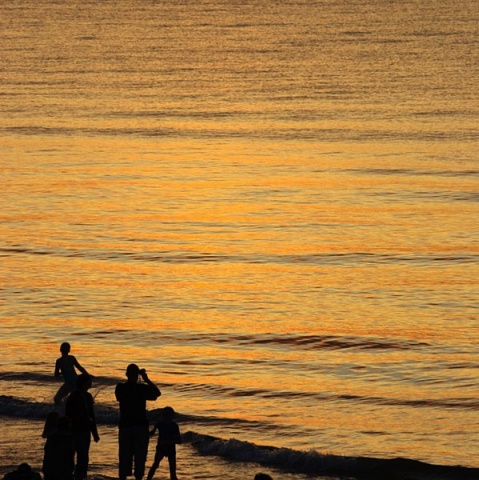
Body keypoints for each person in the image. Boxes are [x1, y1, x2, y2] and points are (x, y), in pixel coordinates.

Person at [115, 364, 161, 480]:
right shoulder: (141, 388)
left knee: (124, 455)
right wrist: (146, 379)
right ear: (137, 375)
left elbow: (120, 397)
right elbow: (157, 393)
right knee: (140, 456)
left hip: (125, 425)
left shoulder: (120, 388)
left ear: (126, 374)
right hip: (140, 425)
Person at [65, 373, 100, 480]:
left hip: (85, 430)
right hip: (75, 430)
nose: (91, 384)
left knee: (83, 454)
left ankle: (80, 475)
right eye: (89, 382)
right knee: (81, 454)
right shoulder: (73, 397)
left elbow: (91, 414)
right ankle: (75, 474)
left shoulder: (88, 397)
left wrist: (95, 433)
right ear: (84, 383)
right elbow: (69, 415)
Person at [146, 406, 181, 480]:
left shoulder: (174, 426)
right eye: (164, 415)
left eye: (168, 415)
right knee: (155, 465)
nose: (166, 417)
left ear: (172, 416)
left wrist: (168, 442)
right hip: (161, 448)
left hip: (170, 448)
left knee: (172, 471)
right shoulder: (160, 424)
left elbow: (179, 441)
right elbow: (152, 432)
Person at [42, 416, 75, 480]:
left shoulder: (51, 437)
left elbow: (47, 454)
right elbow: (70, 458)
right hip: (63, 472)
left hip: (49, 471)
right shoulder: (69, 438)